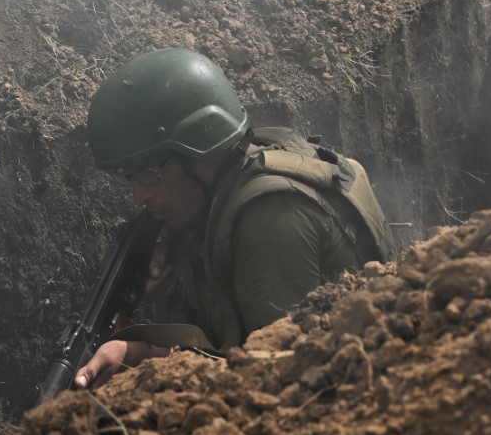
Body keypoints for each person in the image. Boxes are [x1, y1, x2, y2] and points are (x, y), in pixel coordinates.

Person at [74, 48, 392, 389]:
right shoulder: (255, 157)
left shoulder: (270, 218)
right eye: (129, 178)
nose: (139, 196)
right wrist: (174, 242)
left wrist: (146, 354)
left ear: (198, 150)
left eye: (149, 174)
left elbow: (279, 377)